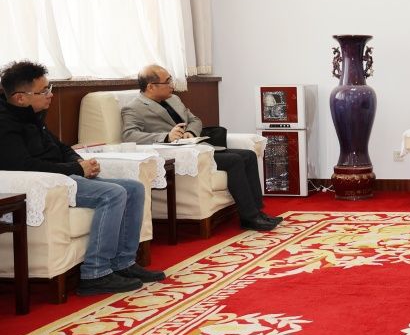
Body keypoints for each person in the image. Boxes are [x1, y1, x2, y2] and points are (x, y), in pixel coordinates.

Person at [0, 61, 165, 295]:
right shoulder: (6, 125)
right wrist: (77, 170)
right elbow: (24, 166)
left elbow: (60, 147)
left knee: (134, 188)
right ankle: (96, 272)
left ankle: (123, 263)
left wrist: (79, 162)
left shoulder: (33, 116)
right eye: (44, 91)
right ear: (20, 98)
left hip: (65, 177)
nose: (50, 94)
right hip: (48, 184)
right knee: (113, 194)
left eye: (50, 88)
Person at [122, 65, 279, 231]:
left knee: (248, 155)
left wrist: (190, 132)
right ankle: (249, 217)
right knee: (234, 160)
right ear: (151, 86)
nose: (172, 85)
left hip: (197, 147)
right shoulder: (134, 108)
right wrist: (166, 136)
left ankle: (257, 211)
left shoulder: (174, 99)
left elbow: (195, 120)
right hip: (179, 155)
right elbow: (129, 135)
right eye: (167, 81)